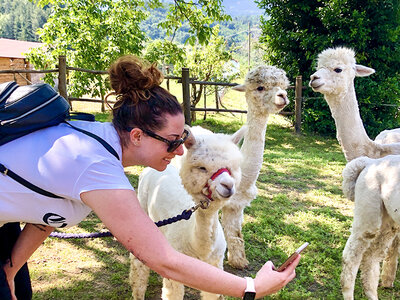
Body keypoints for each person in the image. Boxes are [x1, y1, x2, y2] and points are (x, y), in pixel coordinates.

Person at [0, 55, 301, 300]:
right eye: (172, 141)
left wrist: (10, 269)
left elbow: (45, 216)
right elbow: (163, 260)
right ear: (137, 136)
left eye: (183, 138)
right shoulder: (96, 168)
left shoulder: (98, 144)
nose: (181, 151)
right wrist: (252, 288)